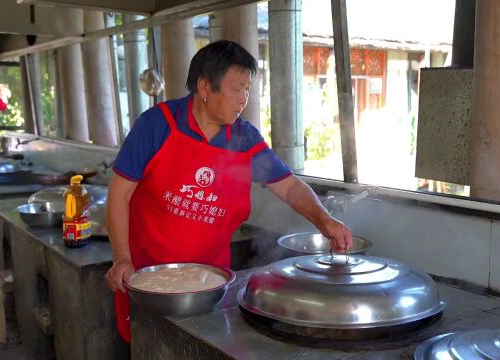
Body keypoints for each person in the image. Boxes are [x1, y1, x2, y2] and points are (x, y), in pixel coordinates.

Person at [105, 40, 353, 343]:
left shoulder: (244, 137)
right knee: (152, 345)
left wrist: (323, 220)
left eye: (248, 90)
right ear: (205, 87)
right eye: (237, 89)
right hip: (149, 279)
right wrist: (121, 258)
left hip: (210, 283)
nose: (244, 100)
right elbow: (119, 193)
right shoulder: (157, 125)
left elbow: (288, 186)